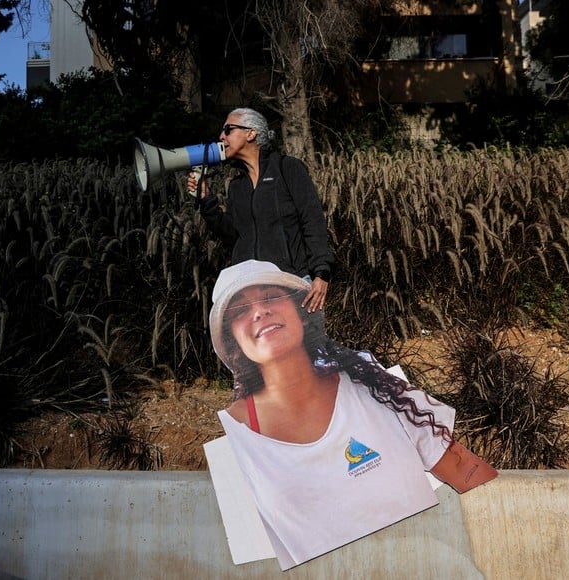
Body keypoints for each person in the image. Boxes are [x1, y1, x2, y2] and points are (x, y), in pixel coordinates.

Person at [209, 259, 498, 570]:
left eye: (270, 296)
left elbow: (460, 469)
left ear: (300, 310)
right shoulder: (235, 437)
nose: (259, 311)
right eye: (240, 310)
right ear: (233, 339)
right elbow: (256, 563)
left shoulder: (371, 383)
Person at [189, 108, 335, 313]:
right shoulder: (237, 185)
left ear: (251, 133)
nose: (221, 136)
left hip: (291, 285)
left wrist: (321, 273)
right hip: (250, 292)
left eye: (228, 129)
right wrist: (206, 201)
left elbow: (313, 221)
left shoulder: (288, 168)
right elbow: (235, 236)